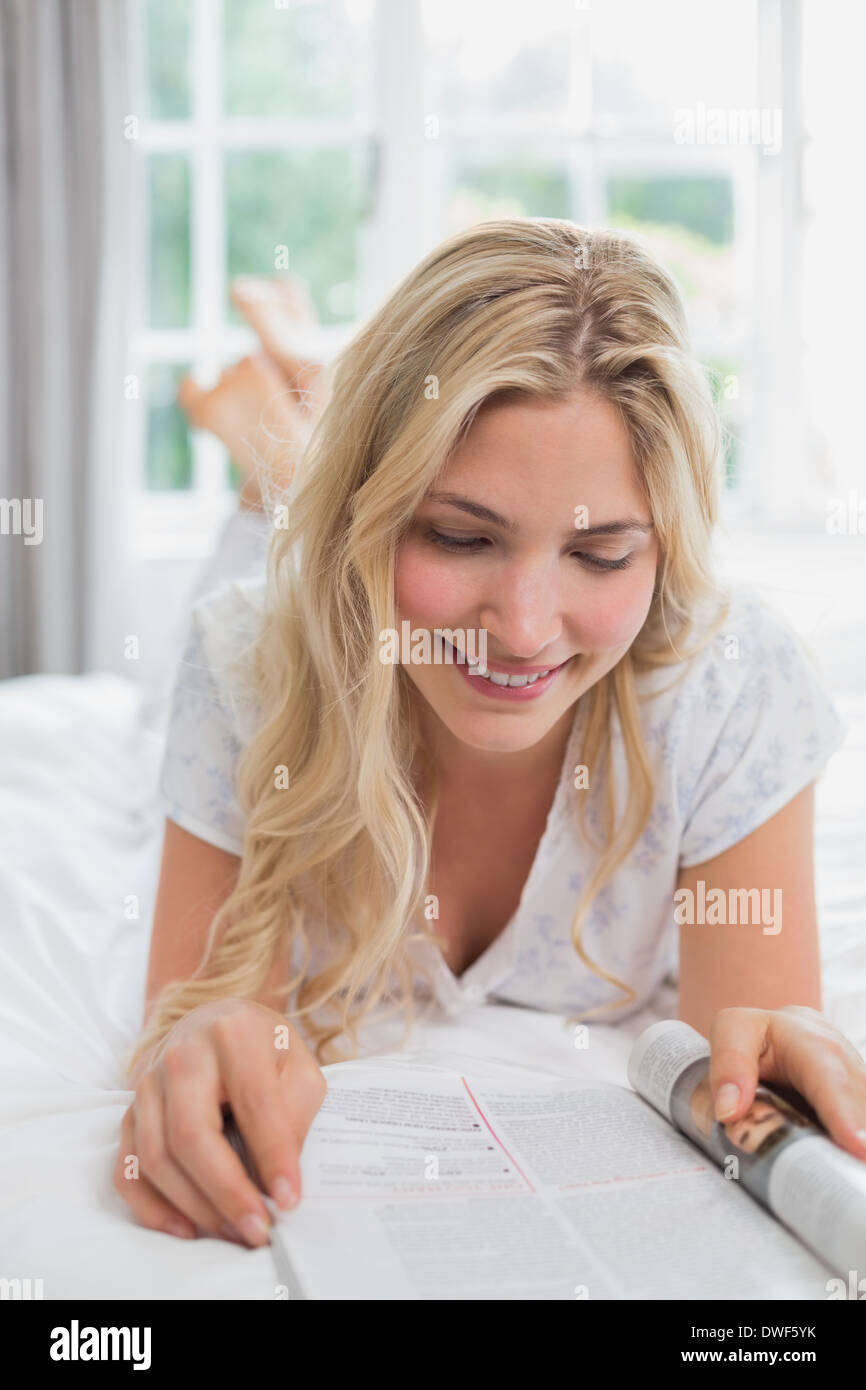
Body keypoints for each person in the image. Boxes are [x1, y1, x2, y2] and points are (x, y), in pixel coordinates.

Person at [114, 219, 866, 1254]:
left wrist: (779, 1053)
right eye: (458, 536)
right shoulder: (243, 659)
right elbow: (207, 1029)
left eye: (599, 553)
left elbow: (751, 1049)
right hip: (303, 627)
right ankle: (274, 458)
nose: (521, 627)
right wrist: (200, 1048)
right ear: (368, 518)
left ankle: (292, 418)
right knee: (163, 692)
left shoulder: (731, 686)